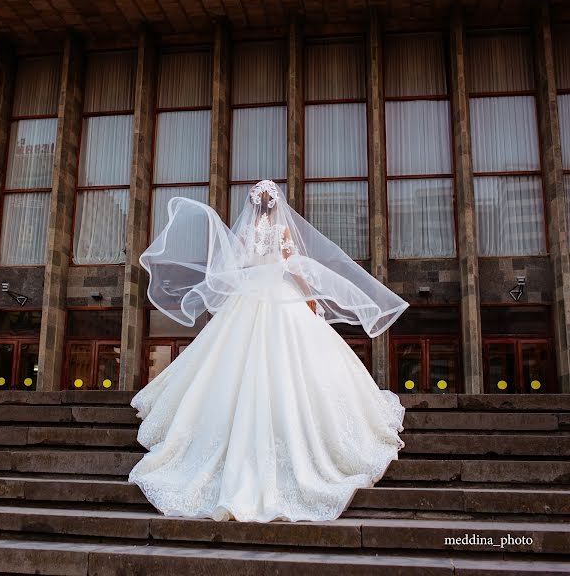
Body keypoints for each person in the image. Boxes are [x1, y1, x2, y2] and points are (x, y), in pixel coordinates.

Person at [128, 179, 409, 522]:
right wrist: (310, 299)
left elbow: (234, 270)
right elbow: (295, 268)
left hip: (248, 300)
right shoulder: (281, 233)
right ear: (275, 205)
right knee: (293, 363)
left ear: (253, 206)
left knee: (227, 362)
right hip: (279, 297)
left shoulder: (245, 234)